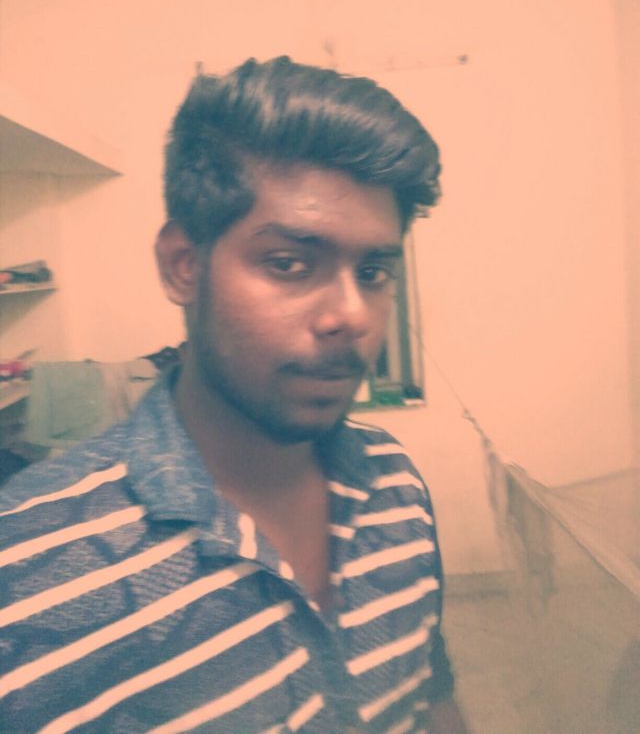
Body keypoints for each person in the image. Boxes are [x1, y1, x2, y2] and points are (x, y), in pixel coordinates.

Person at [0, 57, 468, 733]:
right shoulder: (29, 566)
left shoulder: (394, 480)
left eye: (372, 271)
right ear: (183, 266)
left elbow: (429, 690)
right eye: (289, 263)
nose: (352, 314)